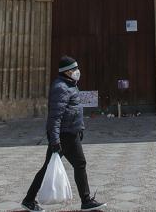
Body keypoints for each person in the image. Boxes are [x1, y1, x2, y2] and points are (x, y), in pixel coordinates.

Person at [21, 55, 105, 211]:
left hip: (71, 132)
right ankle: (30, 199)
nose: (77, 71)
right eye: (74, 69)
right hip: (64, 135)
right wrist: (55, 140)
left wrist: (80, 128)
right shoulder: (61, 87)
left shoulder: (70, 85)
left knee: (77, 164)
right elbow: (55, 116)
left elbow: (74, 110)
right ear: (66, 71)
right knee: (59, 166)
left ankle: (85, 201)